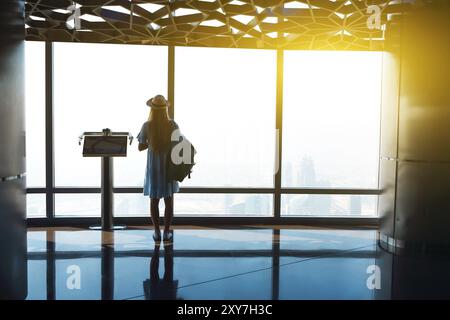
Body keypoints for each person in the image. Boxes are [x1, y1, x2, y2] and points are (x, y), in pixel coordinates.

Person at [137, 94, 179, 242]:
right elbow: (178, 143)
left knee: (154, 200)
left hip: (154, 166)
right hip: (168, 166)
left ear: (152, 110)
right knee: (169, 201)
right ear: (165, 109)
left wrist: (152, 141)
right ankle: (167, 231)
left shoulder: (147, 126)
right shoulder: (172, 125)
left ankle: (156, 231)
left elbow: (140, 146)